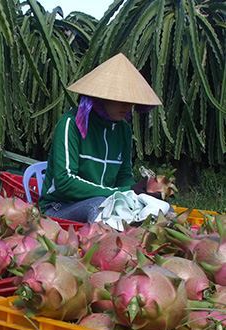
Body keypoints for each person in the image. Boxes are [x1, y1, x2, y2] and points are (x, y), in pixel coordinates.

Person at [39, 53, 163, 223]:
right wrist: (125, 191)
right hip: (60, 207)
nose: (127, 106)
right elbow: (65, 182)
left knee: (161, 208)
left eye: (131, 100)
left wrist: (141, 190)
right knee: (98, 206)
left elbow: (123, 175)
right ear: (101, 97)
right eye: (120, 99)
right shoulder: (70, 124)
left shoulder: (124, 131)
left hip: (108, 202)